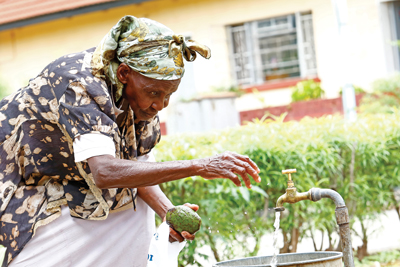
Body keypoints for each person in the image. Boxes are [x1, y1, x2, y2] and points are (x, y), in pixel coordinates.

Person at [0, 15, 261, 266]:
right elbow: (106, 171)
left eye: (169, 94)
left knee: (132, 209)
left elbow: (135, 167)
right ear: (124, 73)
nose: (160, 104)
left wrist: (167, 212)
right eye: (154, 93)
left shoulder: (139, 99)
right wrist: (198, 166)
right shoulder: (79, 85)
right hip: (19, 177)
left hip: (65, 177)